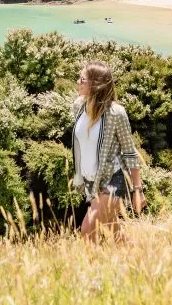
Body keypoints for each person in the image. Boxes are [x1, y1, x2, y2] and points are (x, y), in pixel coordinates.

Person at [71, 61, 145, 241]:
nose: (78, 83)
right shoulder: (79, 106)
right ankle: (134, 260)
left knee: (88, 231)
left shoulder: (116, 113)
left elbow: (129, 151)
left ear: (96, 84)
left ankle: (88, 269)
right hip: (91, 181)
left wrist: (138, 189)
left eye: (83, 79)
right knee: (113, 230)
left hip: (113, 179)